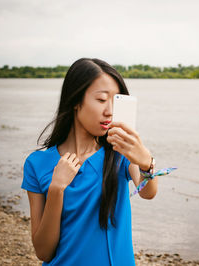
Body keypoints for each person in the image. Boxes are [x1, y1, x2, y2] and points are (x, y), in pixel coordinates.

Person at [21, 58, 158, 265]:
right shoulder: (37, 163)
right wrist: (57, 188)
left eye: (115, 101)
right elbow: (43, 252)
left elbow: (148, 192)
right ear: (76, 101)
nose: (110, 111)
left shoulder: (119, 153)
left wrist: (146, 163)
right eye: (102, 100)